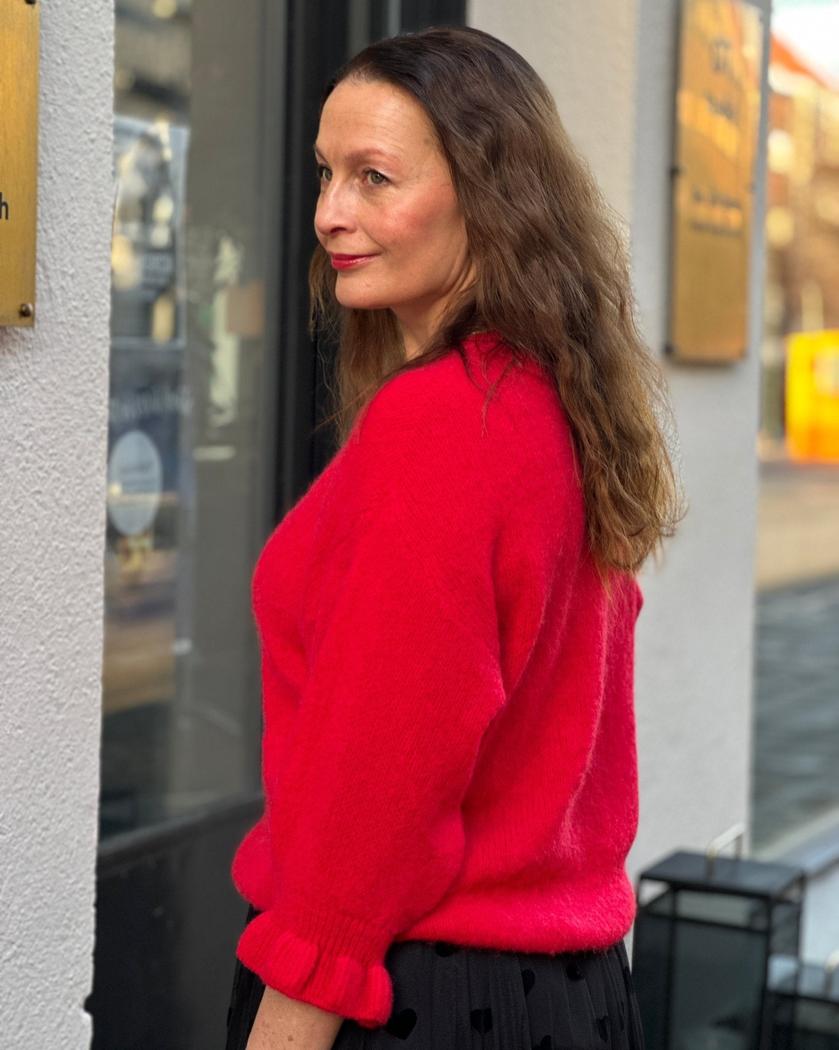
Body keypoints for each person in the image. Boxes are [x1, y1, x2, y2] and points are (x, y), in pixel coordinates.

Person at [225, 23, 685, 1050]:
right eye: (325, 174)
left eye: (373, 177)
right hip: (554, 990)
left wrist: (287, 1021)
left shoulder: (445, 423)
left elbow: (376, 778)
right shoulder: (545, 403)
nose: (329, 212)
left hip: (406, 991)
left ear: (487, 196)